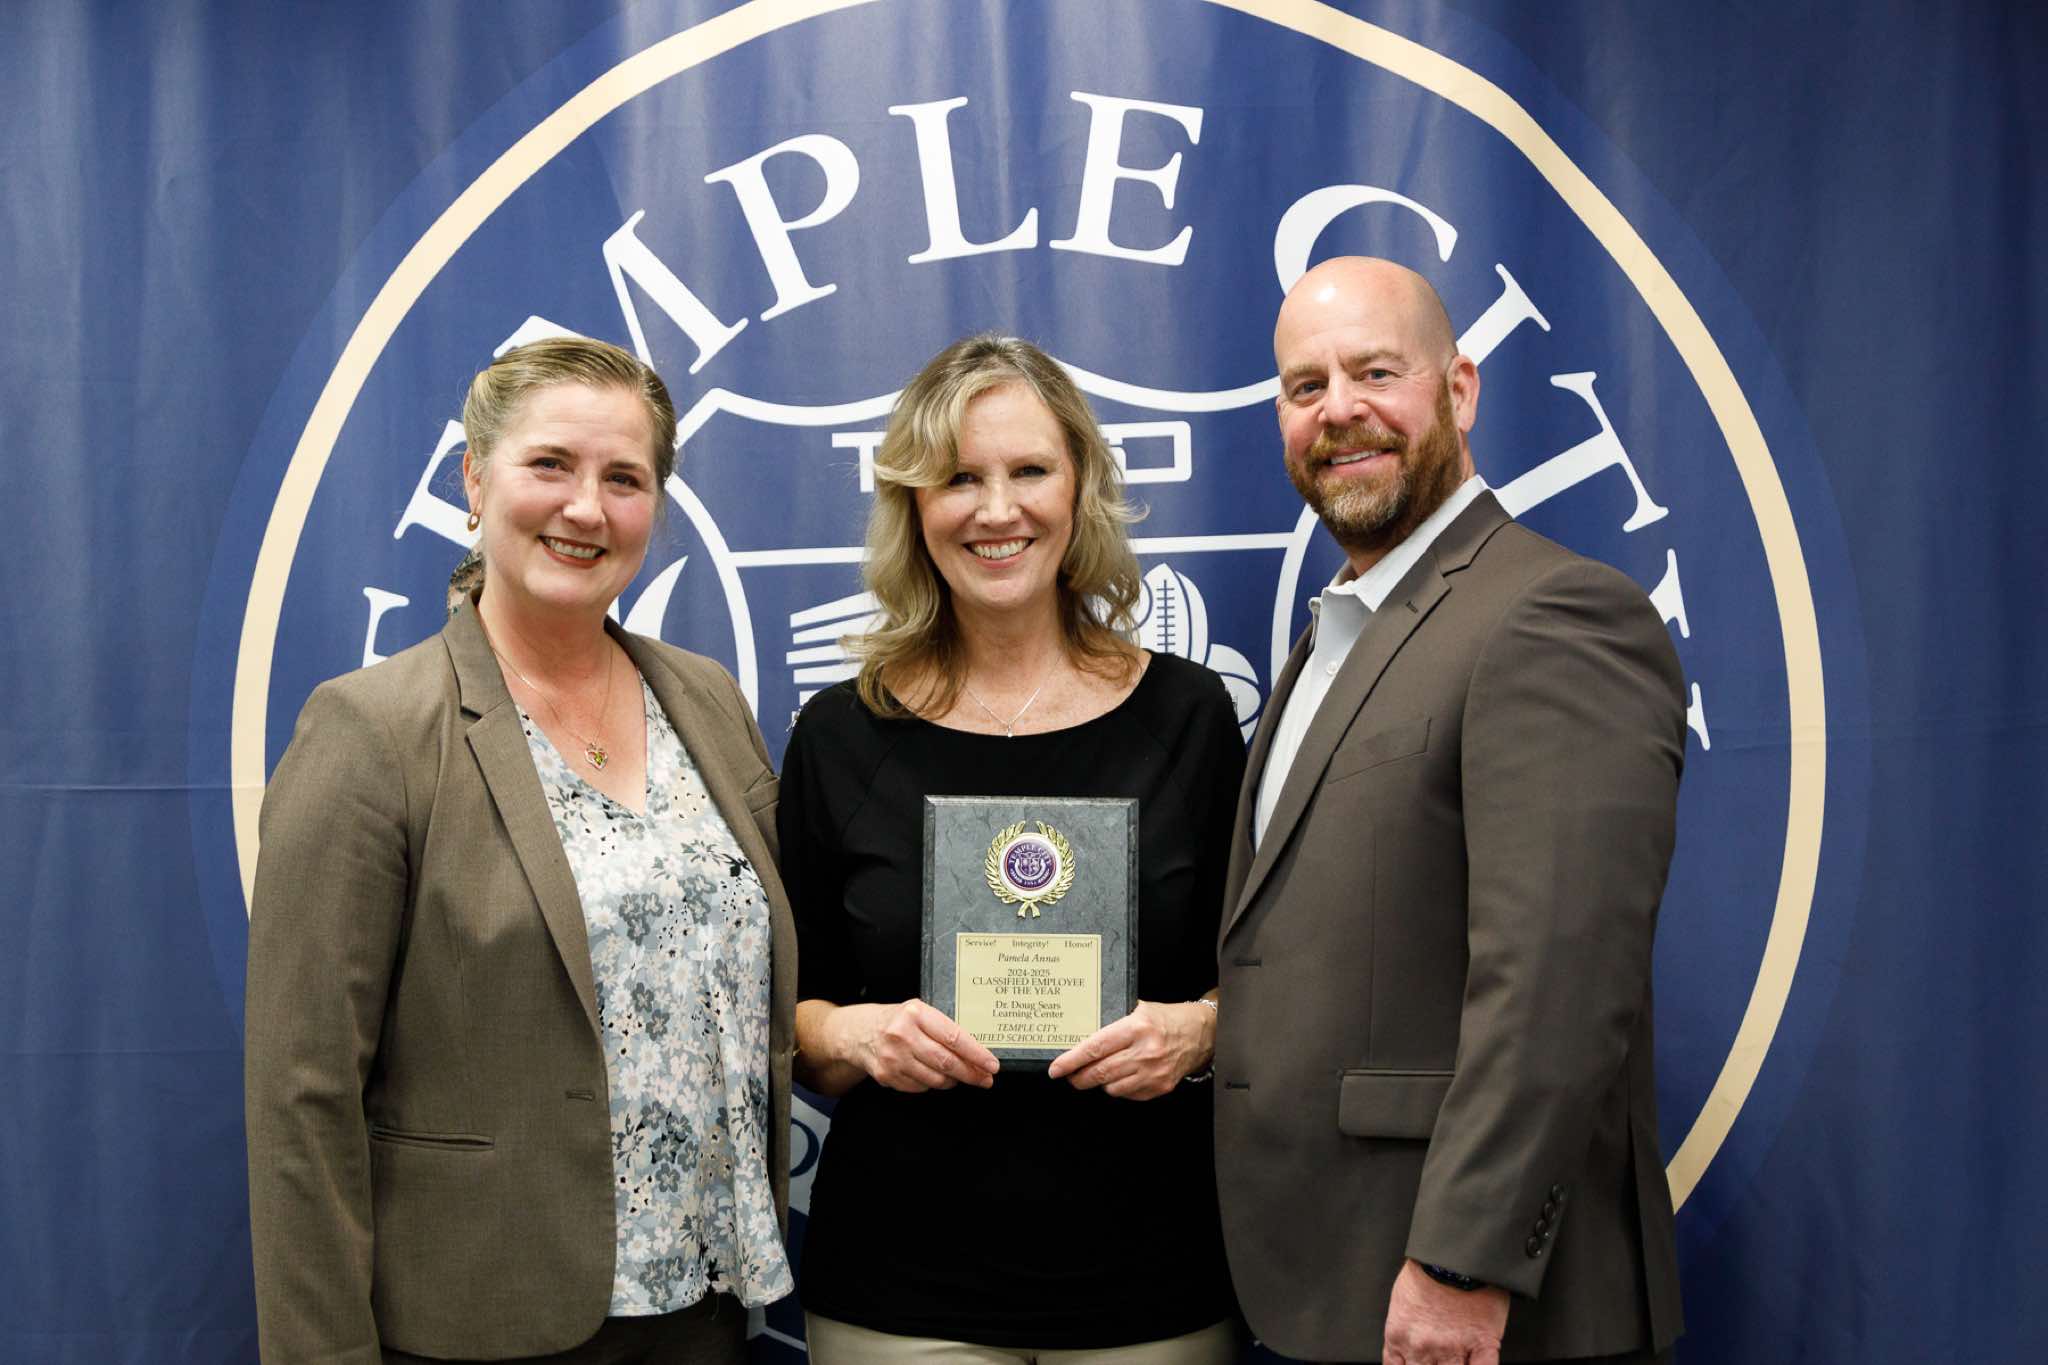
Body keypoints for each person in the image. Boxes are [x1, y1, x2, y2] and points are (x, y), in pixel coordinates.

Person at [245, 336, 795, 1363]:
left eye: (624, 478)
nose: (586, 508)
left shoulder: (706, 700)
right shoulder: (371, 730)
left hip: (704, 1308)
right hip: (483, 1317)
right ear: (474, 477)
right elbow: (301, 1096)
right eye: (550, 464)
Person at [1213, 258, 1687, 1365]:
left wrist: (1462, 1265)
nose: (1339, 410)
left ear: (1460, 389)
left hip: (1476, 1311)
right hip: (1335, 1280)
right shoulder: (1338, 635)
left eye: (1376, 372)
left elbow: (1558, 982)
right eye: (1304, 386)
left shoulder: (1553, 614)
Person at [779, 333, 1246, 1363]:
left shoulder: (1188, 715)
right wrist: (857, 1036)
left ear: (1079, 489)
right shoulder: (840, 733)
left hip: (1153, 1281)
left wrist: (1197, 1033)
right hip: (899, 1288)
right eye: (958, 478)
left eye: (1029, 470)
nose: (996, 510)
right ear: (913, 504)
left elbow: (1264, 975)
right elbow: (790, 1013)